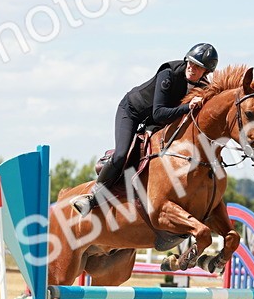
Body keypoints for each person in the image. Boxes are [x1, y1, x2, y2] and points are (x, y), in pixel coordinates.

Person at [72, 42, 219, 216]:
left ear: (206, 72)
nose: (192, 68)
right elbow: (158, 113)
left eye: (198, 67)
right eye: (191, 63)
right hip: (132, 112)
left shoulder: (204, 87)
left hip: (155, 121)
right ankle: (93, 197)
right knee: (121, 154)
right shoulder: (169, 74)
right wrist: (188, 107)